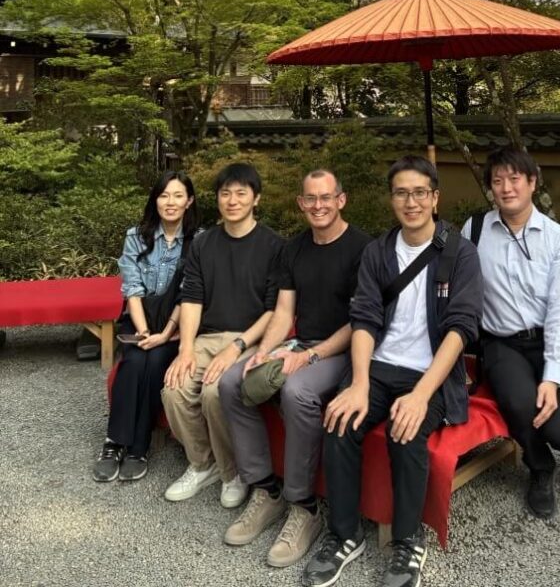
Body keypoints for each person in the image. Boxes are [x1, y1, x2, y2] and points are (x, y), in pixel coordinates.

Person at [302, 156, 482, 587]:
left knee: (407, 430)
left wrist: (421, 395)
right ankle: (344, 535)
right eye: (401, 192)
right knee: (340, 421)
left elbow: (461, 329)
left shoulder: (459, 252)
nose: (411, 201)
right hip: (380, 366)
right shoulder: (378, 251)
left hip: (431, 372)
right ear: (391, 199)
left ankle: (408, 541)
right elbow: (364, 319)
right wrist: (359, 383)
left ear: (435, 197)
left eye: (420, 192)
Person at [218, 169, 371, 568]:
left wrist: (310, 355)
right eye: (310, 199)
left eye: (326, 197)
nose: (318, 206)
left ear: (341, 199)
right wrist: (264, 352)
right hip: (298, 342)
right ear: (301, 203)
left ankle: (303, 505)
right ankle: (266, 489)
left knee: (297, 390)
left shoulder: (362, 249)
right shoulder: (294, 249)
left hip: (342, 349)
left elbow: (359, 321)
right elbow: (284, 310)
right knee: (233, 380)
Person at [462, 146, 560, 519]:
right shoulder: (475, 229)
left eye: (515, 178)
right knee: (520, 407)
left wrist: (551, 376)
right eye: (497, 181)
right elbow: (458, 283)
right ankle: (540, 468)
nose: (506, 188)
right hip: (501, 344)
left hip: (548, 340)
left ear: (533, 181)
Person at [162, 162, 284, 508]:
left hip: (252, 339)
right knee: (174, 387)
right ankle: (203, 464)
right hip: (206, 337)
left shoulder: (275, 246)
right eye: (225, 193)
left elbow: (274, 311)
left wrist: (238, 346)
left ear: (256, 199)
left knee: (217, 391)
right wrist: (185, 349)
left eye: (241, 193)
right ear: (217, 199)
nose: (232, 200)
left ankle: (233, 472)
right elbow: (191, 298)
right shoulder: (203, 244)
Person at [92, 170, 199, 483]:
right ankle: (115, 443)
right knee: (134, 360)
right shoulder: (135, 236)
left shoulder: (199, 240)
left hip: (177, 324)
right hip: (140, 320)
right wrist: (142, 332)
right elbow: (133, 290)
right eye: (164, 195)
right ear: (155, 199)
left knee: (155, 363)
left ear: (189, 200)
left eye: (178, 195)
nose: (171, 202)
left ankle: (138, 446)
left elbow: (190, 293)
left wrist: (166, 334)